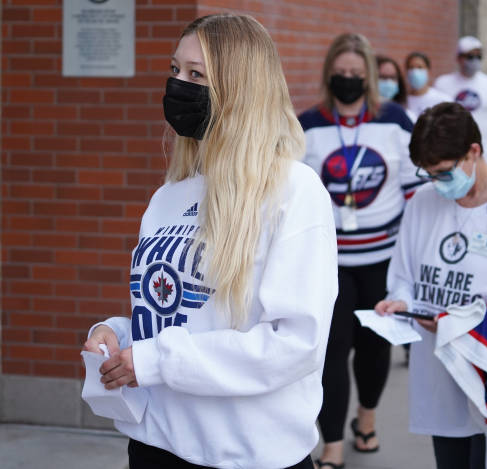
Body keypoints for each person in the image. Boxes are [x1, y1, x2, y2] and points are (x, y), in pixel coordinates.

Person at [82, 14, 338, 469]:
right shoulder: (168, 195)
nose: (179, 84)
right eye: (175, 70)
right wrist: (120, 338)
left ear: (239, 88)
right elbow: (182, 317)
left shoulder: (293, 191)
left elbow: (295, 344)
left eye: (196, 74)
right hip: (156, 445)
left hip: (247, 455)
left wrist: (156, 359)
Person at [375, 102, 487, 468]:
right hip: (441, 376)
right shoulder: (423, 203)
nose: (436, 183)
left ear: (473, 152)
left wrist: (458, 324)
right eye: (427, 174)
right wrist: (400, 303)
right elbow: (403, 277)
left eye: (443, 173)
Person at [298, 33, 419, 469]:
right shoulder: (308, 124)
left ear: (368, 75)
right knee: (331, 350)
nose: (348, 80)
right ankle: (331, 441)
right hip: (330, 264)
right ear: (329, 73)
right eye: (340, 72)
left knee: (374, 347)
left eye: (356, 73)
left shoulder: (394, 120)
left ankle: (365, 419)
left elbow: (415, 190)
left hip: (382, 259)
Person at [434, 36, 487, 172]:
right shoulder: (442, 84)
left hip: (484, 155)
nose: (475, 60)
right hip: (451, 155)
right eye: (470, 56)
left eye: (479, 56)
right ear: (459, 58)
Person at [405, 51, 451, 118]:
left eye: (420, 67)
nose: (415, 72)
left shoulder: (442, 100)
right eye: (411, 67)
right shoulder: (403, 101)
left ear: (428, 71)